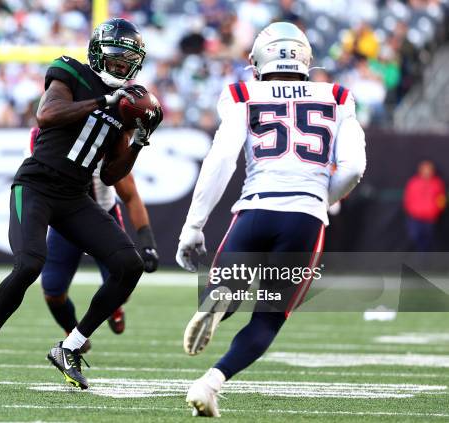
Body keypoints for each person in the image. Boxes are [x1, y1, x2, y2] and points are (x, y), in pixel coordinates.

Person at [0, 17, 162, 391]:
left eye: (126, 61)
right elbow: (47, 115)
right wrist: (104, 100)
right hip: (35, 185)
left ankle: (69, 347)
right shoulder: (69, 71)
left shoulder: (127, 103)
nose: (119, 67)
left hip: (74, 194)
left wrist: (139, 140)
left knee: (128, 265)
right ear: (98, 54)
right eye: (114, 58)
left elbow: (114, 175)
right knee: (29, 264)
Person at [175, 22, 366, 417]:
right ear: (305, 59)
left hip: (256, 206)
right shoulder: (337, 95)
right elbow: (353, 169)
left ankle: (220, 299)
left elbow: (222, 159)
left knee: (228, 286)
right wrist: (318, 197)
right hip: (305, 217)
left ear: (257, 59)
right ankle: (211, 383)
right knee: (269, 316)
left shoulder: (242, 93)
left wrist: (193, 225)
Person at [35, 124, 159, 346]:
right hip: (64, 220)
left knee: (123, 282)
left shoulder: (104, 139)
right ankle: (72, 332)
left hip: (102, 217)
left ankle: (115, 306)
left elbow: (130, 196)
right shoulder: (40, 140)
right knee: (53, 291)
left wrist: (148, 243)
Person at [403, 160, 446, 252]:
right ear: (420, 170)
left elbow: (441, 199)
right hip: (415, 217)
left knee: (428, 240)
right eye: (424, 169)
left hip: (430, 218)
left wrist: (436, 210)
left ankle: (424, 261)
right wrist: (411, 210)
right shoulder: (413, 182)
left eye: (428, 169)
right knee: (415, 237)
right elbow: (408, 198)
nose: (426, 171)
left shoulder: (437, 183)